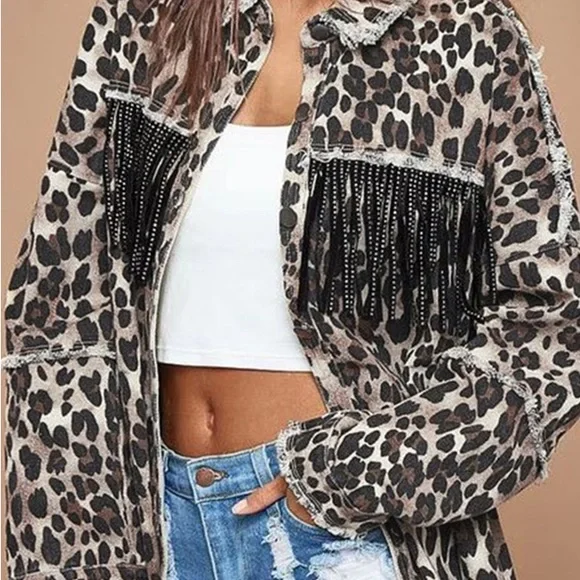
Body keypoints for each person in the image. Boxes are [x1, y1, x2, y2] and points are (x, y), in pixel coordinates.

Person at [3, 0, 580, 578]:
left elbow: (555, 330)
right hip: (148, 525)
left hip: (344, 535)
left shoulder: (467, 34)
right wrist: (73, 541)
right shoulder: (146, 18)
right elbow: (57, 297)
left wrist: (353, 471)